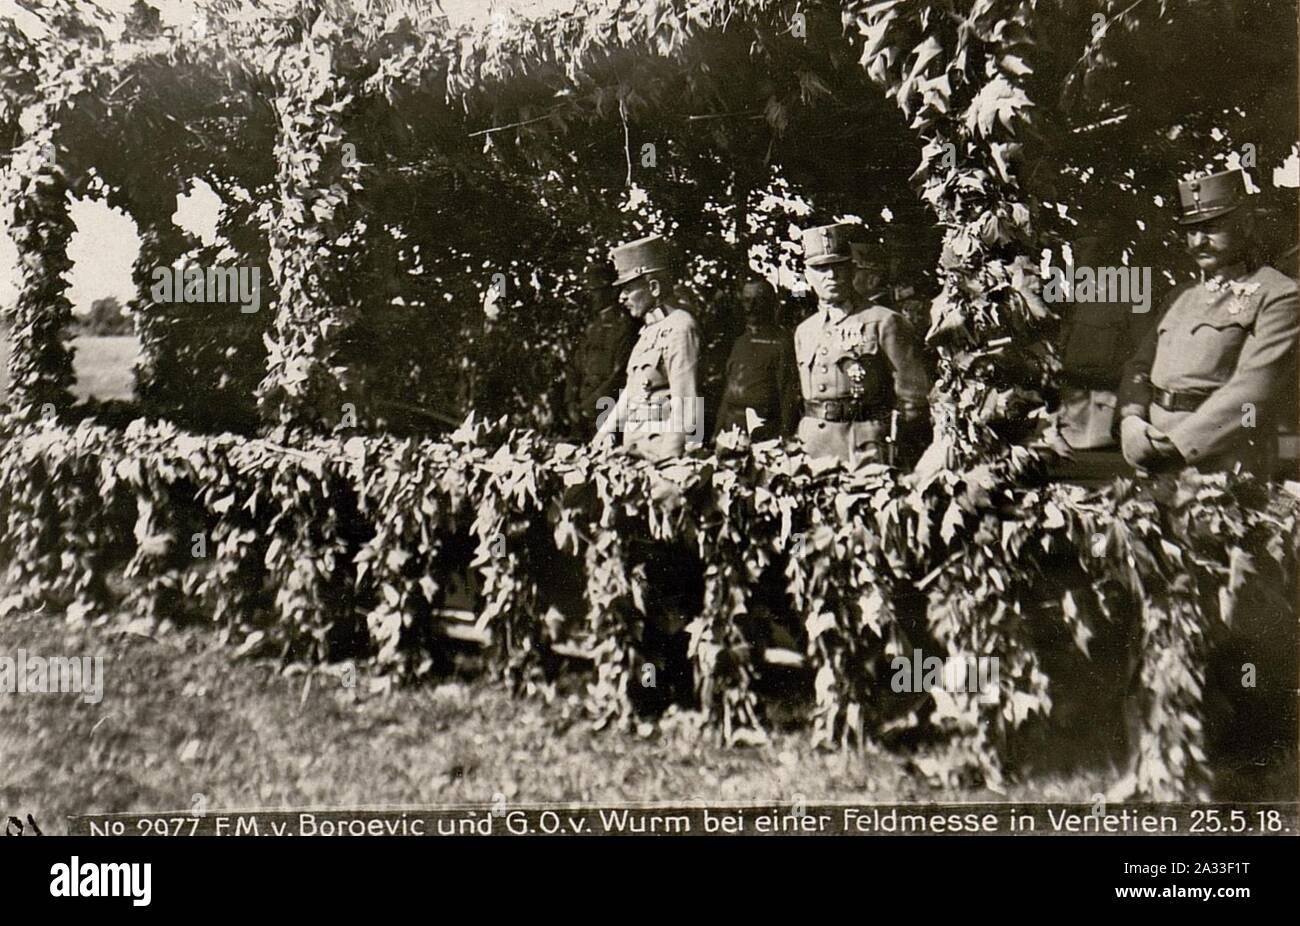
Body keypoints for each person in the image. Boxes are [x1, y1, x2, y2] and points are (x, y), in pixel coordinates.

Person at [1117, 168, 1299, 475]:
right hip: (1152, 454)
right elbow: (1139, 366)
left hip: (1221, 462)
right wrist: (1131, 420)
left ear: (1246, 224)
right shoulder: (1181, 296)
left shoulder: (1279, 294)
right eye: (1192, 230)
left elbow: (1253, 391)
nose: (1199, 241)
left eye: (1212, 228)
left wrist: (1175, 446)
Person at [793, 222, 931, 466]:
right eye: (821, 268)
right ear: (807, 274)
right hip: (813, 449)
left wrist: (899, 450)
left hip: (864, 449)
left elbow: (914, 400)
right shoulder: (805, 331)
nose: (831, 276)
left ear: (852, 269)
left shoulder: (884, 321)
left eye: (838, 266)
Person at [592, 234, 702, 462]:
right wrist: (603, 434)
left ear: (653, 287)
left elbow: (686, 405)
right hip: (635, 452)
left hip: (660, 454)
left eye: (628, 289)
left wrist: (668, 463)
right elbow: (631, 394)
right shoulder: (648, 331)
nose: (621, 298)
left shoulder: (681, 328)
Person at [1056, 234, 1157, 450]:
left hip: (1105, 411)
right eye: (1077, 250)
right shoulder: (1075, 291)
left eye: (1087, 249)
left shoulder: (1132, 291)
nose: (1079, 256)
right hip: (1071, 408)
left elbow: (1144, 353)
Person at [713, 276, 799, 444]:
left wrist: (786, 438)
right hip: (732, 429)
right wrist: (716, 433)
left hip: (764, 431)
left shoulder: (782, 342)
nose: (750, 308)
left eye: (758, 301)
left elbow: (788, 395)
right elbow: (728, 394)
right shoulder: (740, 341)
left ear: (771, 304)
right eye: (746, 301)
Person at [565, 259, 638, 440]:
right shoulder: (590, 326)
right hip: (582, 410)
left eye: (595, 290)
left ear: (612, 291)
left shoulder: (625, 326)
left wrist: (588, 408)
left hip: (607, 410)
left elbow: (620, 375)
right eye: (588, 291)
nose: (590, 296)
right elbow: (573, 366)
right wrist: (571, 402)